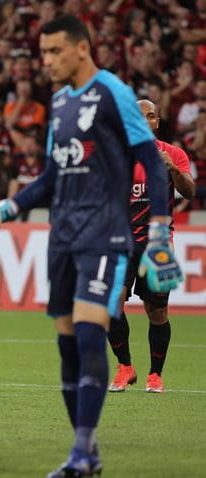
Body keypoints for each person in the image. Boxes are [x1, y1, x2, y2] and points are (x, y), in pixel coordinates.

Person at [0, 15, 183, 477]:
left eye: (54, 52)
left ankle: (81, 452)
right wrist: (3, 210)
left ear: (82, 49)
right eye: (42, 53)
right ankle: (88, 452)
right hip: (62, 236)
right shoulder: (60, 103)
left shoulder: (115, 94)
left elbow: (152, 162)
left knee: (88, 334)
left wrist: (160, 232)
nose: (45, 62)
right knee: (67, 345)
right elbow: (50, 176)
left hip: (106, 234)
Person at [107, 99, 195, 395]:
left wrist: (172, 170)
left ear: (158, 122)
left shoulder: (174, 154)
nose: (145, 120)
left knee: (156, 311)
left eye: (151, 116)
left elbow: (190, 192)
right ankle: (125, 367)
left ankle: (155, 375)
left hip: (158, 241)